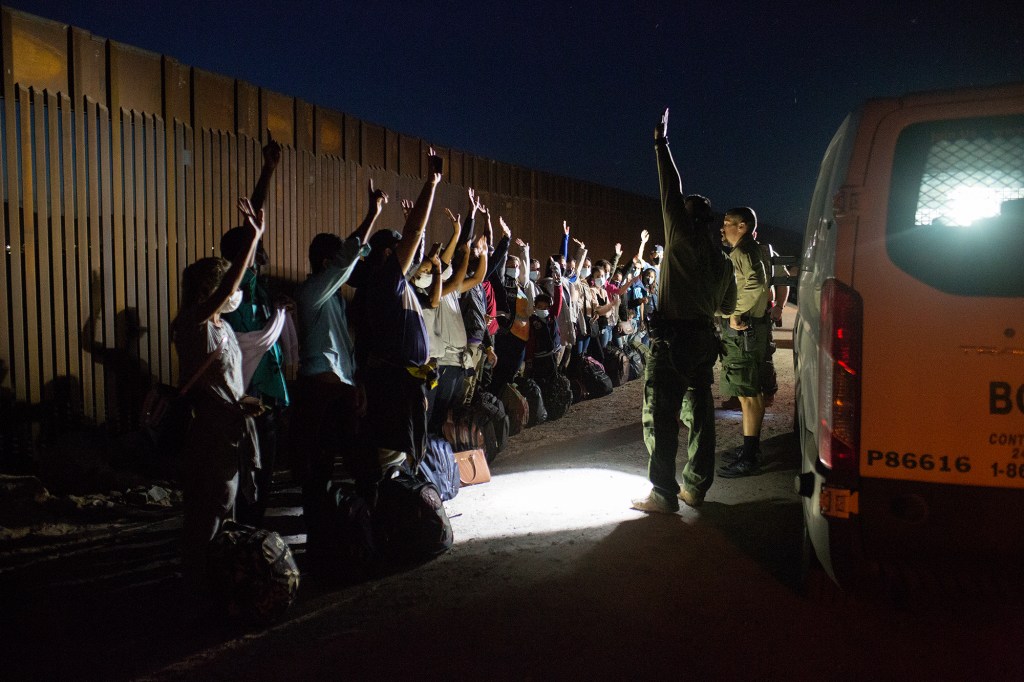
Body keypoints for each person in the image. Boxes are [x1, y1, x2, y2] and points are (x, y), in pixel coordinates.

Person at [632, 108, 736, 514]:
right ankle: (696, 487)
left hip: (672, 341)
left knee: (660, 416)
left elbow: (669, 189)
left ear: (684, 219)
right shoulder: (721, 261)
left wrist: (661, 144)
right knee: (701, 416)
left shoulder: (679, 241)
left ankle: (663, 494)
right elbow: (726, 307)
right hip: (702, 342)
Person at [173, 197, 267, 596]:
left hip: (229, 425)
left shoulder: (221, 326)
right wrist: (253, 237)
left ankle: (217, 579)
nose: (236, 294)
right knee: (209, 508)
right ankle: (198, 585)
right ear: (210, 290)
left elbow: (224, 379)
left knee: (225, 504)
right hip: (209, 428)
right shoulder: (192, 324)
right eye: (226, 287)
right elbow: (233, 284)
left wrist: (243, 401)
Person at [291, 179, 387, 554]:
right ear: (327, 263)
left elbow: (343, 351)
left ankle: (360, 534)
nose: (351, 268)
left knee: (357, 469)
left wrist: (357, 384)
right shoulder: (312, 292)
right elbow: (349, 258)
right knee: (322, 473)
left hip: (338, 391)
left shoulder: (331, 301)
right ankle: (324, 544)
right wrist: (372, 215)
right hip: (321, 394)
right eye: (342, 262)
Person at [349, 149, 443, 485]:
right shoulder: (385, 281)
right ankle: (393, 519)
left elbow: (416, 244)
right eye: (400, 248)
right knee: (392, 466)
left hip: (403, 384)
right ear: (387, 255)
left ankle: (398, 512)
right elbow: (416, 235)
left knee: (403, 457)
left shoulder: (394, 285)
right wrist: (430, 184)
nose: (412, 254)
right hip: (393, 389)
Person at [218, 134, 288, 526]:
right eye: (254, 248)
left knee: (263, 480)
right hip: (245, 406)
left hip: (268, 403)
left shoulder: (260, 290)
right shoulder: (235, 292)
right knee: (246, 481)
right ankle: (240, 543)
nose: (262, 252)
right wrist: (266, 173)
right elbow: (250, 233)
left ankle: (252, 539)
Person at [715, 206, 772, 478]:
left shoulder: (743, 251)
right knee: (753, 393)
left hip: (744, 330)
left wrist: (734, 312)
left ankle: (749, 458)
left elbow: (755, 284)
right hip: (755, 328)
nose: (723, 228)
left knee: (747, 395)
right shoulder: (756, 250)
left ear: (743, 227)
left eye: (728, 223)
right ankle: (751, 450)